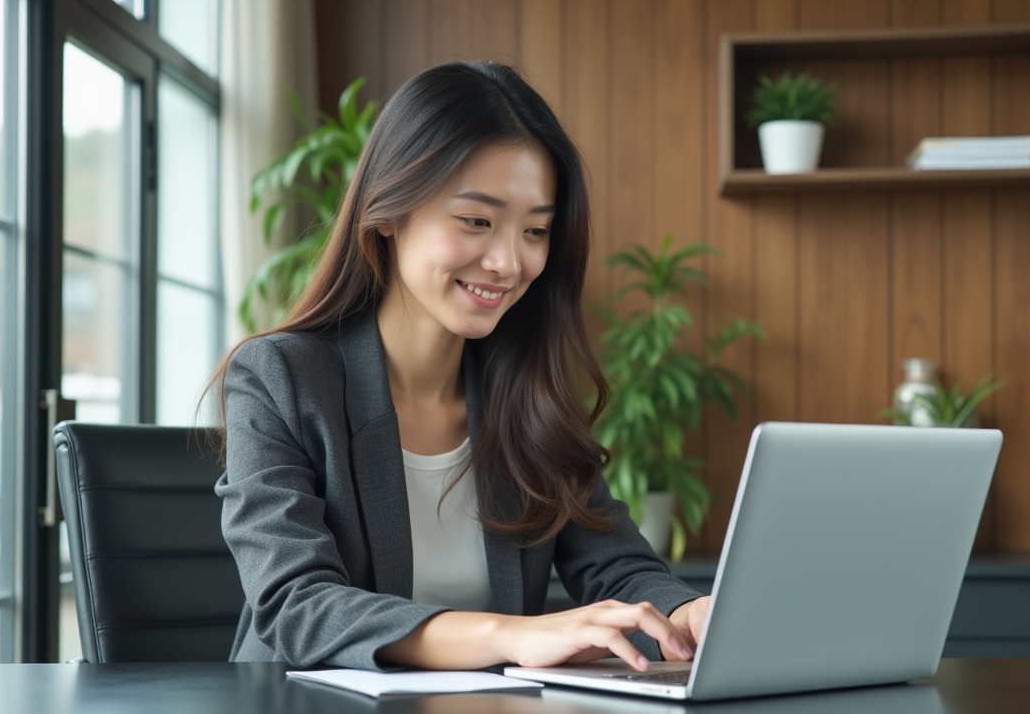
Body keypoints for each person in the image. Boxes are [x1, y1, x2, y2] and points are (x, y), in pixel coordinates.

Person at [212, 60, 710, 672]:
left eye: (535, 231)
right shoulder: (280, 379)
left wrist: (686, 612)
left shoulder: (525, 390)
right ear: (387, 212)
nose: (508, 261)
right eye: (477, 221)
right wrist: (510, 636)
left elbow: (615, 564)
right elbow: (297, 605)